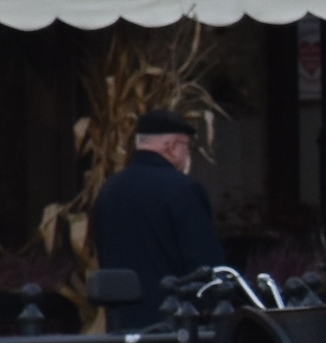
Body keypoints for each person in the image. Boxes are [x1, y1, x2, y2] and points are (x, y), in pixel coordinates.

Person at [89, 108, 228, 304]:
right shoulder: (183, 189)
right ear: (172, 146)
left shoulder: (109, 189)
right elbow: (204, 263)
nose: (188, 154)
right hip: (174, 313)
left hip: (121, 314)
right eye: (187, 146)